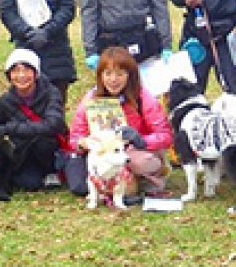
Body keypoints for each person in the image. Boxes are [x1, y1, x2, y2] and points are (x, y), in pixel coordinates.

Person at [66, 46, 173, 198]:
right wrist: (84, 143)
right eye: (108, 74)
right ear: (100, 76)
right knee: (80, 184)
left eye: (120, 74)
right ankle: (120, 183)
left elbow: (165, 135)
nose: (113, 80)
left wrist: (140, 140)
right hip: (103, 154)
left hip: (134, 152)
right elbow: (75, 137)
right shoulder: (91, 99)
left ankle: (147, 177)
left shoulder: (142, 97)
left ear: (130, 75)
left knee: (139, 163)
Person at [0, 48, 67, 191]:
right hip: (23, 152)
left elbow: (54, 124)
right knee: (29, 184)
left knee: (42, 141)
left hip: (48, 149)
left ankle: (51, 171)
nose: (21, 76)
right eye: (15, 71)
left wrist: (11, 128)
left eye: (26, 70)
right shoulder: (4, 101)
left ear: (36, 73)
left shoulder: (51, 93)